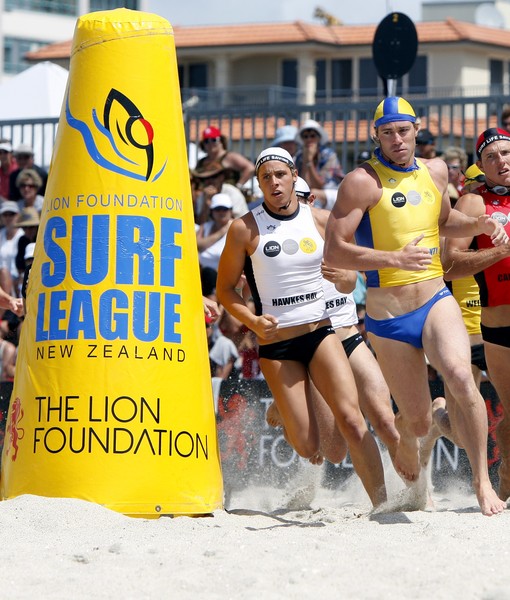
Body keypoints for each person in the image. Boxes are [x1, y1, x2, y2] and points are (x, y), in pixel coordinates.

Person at [323, 96, 508, 516]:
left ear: (417, 127)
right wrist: (392, 259)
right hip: (388, 315)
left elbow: (443, 222)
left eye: (403, 130)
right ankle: (410, 437)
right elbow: (335, 250)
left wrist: (480, 223)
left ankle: (482, 484)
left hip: (434, 299)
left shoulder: (436, 170)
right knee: (419, 421)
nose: (396, 139)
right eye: (386, 132)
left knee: (462, 376)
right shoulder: (361, 182)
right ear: (376, 136)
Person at [216, 146, 386, 507]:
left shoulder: (322, 220)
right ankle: (283, 401)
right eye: (265, 178)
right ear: (258, 184)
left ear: (294, 176)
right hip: (277, 347)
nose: (274, 182)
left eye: (280, 175)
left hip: (320, 333)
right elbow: (224, 290)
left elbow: (349, 278)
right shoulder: (243, 228)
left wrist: (344, 278)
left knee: (353, 423)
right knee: (311, 449)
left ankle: (382, 505)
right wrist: (252, 321)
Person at [265, 176, 401, 467]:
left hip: (347, 336)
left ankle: (415, 495)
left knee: (386, 420)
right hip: (315, 347)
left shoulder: (332, 233)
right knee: (333, 452)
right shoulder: (277, 248)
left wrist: (348, 278)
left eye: (298, 199)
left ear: (310, 201)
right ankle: (289, 410)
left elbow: (355, 279)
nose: (291, 208)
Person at [442, 127, 510, 503]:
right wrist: (500, 253)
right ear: (481, 165)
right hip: (495, 329)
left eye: (506, 153)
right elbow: (449, 265)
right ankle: (501, 487)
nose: (502, 161)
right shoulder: (473, 203)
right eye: (492, 157)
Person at [294, 119, 344, 191]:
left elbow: (320, 185)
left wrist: (309, 161)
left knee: (313, 193)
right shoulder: (299, 156)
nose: (309, 139)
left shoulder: (329, 155)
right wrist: (305, 160)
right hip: (313, 192)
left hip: (332, 192)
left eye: (312, 136)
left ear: (319, 138)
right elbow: (302, 184)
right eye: (305, 136)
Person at [197, 193, 234, 274]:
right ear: (212, 211)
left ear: (231, 211)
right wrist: (222, 231)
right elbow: (197, 245)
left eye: (225, 209)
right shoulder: (205, 227)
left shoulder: (237, 228)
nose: (221, 212)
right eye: (217, 209)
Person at [0, 201, 24, 297]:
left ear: (18, 215)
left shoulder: (22, 236)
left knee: (4, 272)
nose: (8, 218)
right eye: (5, 215)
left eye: (11, 214)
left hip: (16, 280)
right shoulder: (0, 234)